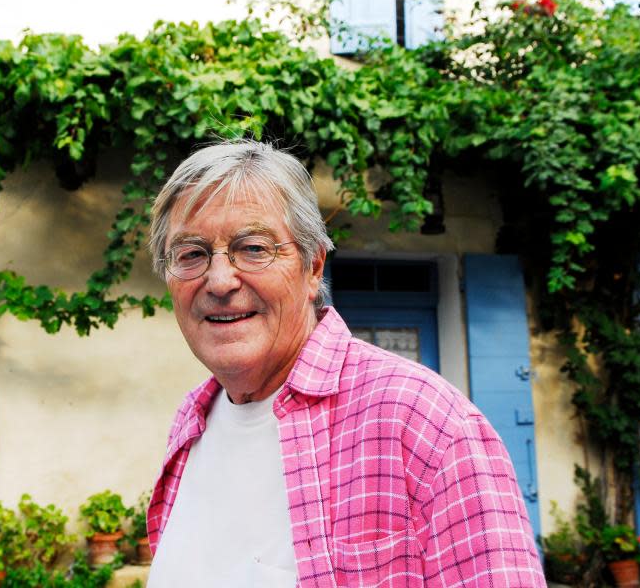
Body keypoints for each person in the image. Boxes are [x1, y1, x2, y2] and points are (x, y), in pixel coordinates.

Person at [144, 141, 546, 587]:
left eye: (253, 248)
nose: (219, 281)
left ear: (313, 267)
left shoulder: (427, 424)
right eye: (191, 254)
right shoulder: (191, 421)